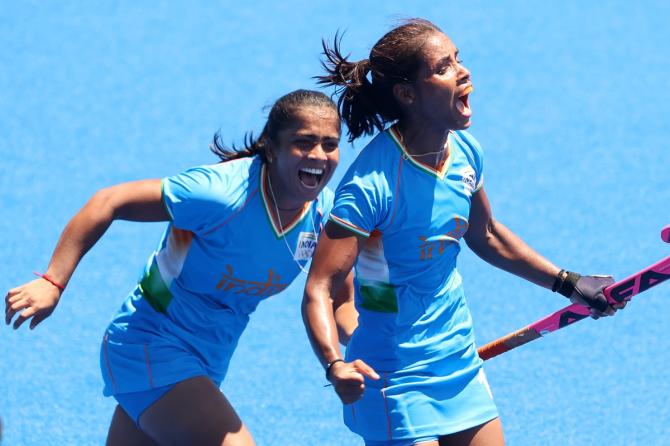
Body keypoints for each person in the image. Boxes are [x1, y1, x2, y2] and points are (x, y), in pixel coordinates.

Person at [302, 19, 623, 446]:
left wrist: (567, 283)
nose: (463, 71)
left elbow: (486, 234)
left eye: (458, 59)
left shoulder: (465, 153)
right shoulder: (370, 187)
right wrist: (334, 362)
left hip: (457, 360)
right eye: (443, 67)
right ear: (407, 94)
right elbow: (321, 287)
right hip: (392, 374)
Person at [5, 89, 355, 446]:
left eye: (330, 144)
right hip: (148, 343)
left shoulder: (324, 217)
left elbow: (340, 300)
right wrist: (53, 280)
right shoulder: (219, 193)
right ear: (271, 147)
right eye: (304, 142)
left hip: (209, 359)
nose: (319, 156)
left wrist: (370, 345)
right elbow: (108, 201)